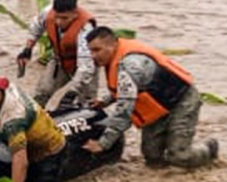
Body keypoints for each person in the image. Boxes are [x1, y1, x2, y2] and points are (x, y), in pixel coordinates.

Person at [82, 26, 218, 168]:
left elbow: (124, 113)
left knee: (179, 156)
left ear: (113, 45)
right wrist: (105, 101)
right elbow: (126, 87)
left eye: (97, 50)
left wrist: (103, 144)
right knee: (152, 158)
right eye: (90, 51)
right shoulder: (117, 58)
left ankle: (210, 149)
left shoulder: (130, 66)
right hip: (159, 104)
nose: (93, 56)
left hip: (181, 100)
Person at [16, 0, 97, 107]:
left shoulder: (86, 28)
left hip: (85, 64)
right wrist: (27, 49)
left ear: (75, 14)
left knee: (86, 103)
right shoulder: (47, 13)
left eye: (64, 18)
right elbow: (35, 28)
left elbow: (86, 66)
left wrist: (72, 91)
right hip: (60, 60)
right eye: (57, 17)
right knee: (42, 92)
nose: (59, 22)